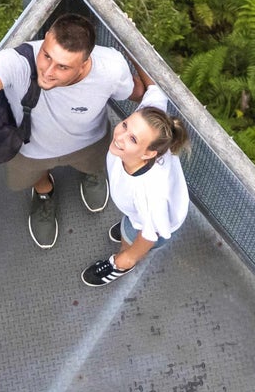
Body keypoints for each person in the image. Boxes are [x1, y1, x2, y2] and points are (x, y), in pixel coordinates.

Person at [0, 12, 145, 248]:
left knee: (95, 164)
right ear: (46, 38)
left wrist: (133, 41)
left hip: (89, 142)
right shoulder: (21, 62)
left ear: (85, 64)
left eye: (63, 67)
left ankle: (92, 175)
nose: (48, 70)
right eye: (47, 55)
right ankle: (44, 191)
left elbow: (139, 93)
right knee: (29, 176)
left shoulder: (110, 69)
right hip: (30, 148)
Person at [81, 88, 191, 287]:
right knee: (131, 224)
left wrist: (128, 257)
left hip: (150, 224)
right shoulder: (150, 122)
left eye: (132, 139)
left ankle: (120, 262)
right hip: (142, 214)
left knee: (130, 238)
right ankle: (128, 228)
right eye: (124, 125)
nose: (120, 136)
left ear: (149, 153)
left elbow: (150, 234)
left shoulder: (149, 194)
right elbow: (155, 89)